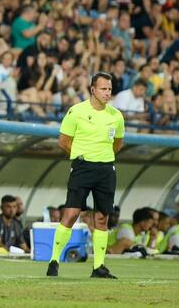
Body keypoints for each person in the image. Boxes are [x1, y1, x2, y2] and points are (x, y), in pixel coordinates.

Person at [46, 71, 124, 279]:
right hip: (82, 167)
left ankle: (98, 266)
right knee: (71, 214)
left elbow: (117, 143)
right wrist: (82, 157)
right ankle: (54, 260)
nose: (107, 93)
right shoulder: (76, 112)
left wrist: (102, 157)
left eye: (109, 89)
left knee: (102, 217)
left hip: (106, 170)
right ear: (92, 89)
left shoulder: (116, 116)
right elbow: (63, 141)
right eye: (103, 89)